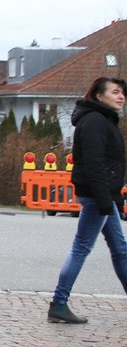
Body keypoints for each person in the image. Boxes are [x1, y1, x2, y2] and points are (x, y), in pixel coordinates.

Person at [48, 77, 127, 324]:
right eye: (115, 92)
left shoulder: (104, 119)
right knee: (82, 248)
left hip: (105, 195)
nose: (121, 96)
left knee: (120, 250)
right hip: (98, 196)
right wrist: (105, 200)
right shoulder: (94, 121)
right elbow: (94, 164)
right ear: (99, 96)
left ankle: (59, 304)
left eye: (123, 92)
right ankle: (59, 304)